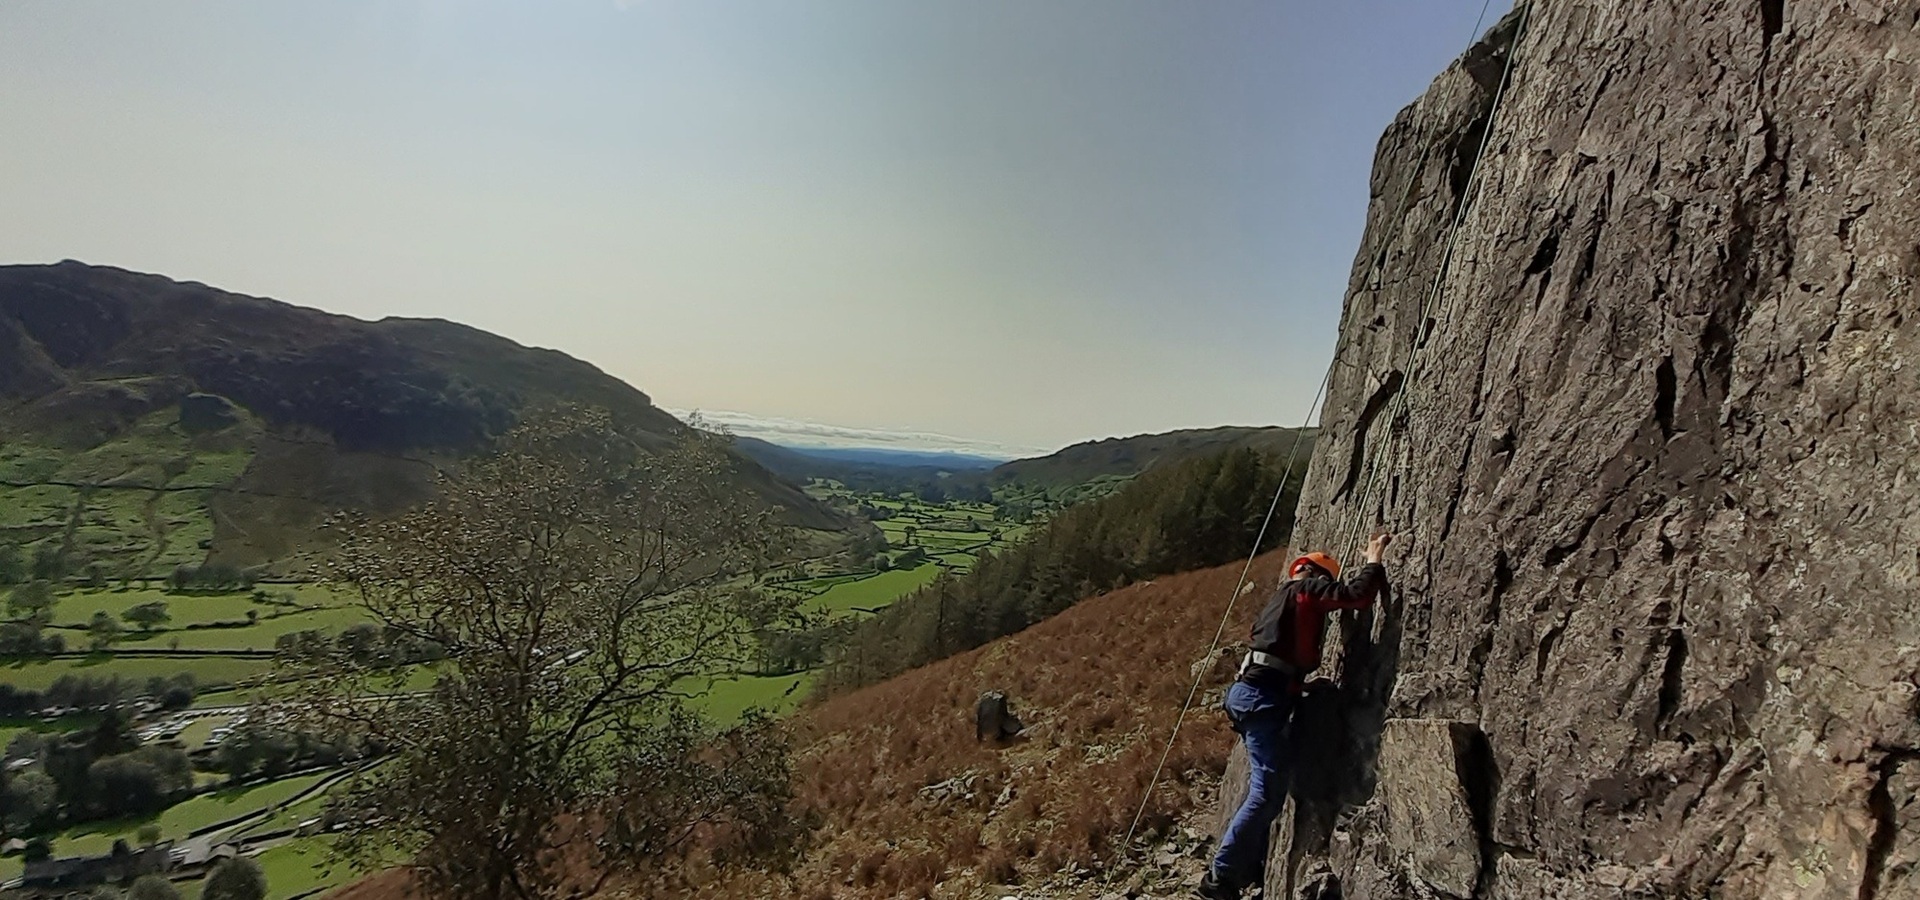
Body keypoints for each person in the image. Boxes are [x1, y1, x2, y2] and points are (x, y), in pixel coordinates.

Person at [1198, 532, 1392, 900]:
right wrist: (1373, 559)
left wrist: (1299, 688)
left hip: (1255, 697)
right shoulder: (1304, 590)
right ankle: (1219, 879)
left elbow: (1275, 659)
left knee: (1270, 787)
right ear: (1316, 574)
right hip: (1261, 700)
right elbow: (1358, 596)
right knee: (1266, 791)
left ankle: (1242, 868)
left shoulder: (1279, 603)